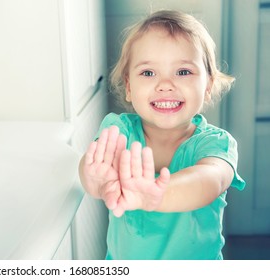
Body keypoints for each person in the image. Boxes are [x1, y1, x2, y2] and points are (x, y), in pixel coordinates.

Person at [79, 9, 245, 260]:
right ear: (129, 87)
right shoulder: (119, 130)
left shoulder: (216, 143)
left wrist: (157, 196)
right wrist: (93, 177)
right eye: (148, 73)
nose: (165, 84)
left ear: (208, 85)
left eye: (183, 72)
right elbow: (95, 180)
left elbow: (209, 181)